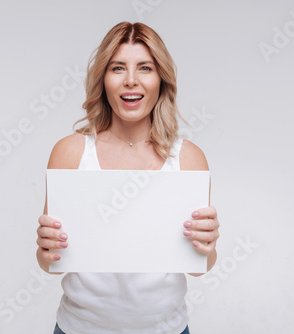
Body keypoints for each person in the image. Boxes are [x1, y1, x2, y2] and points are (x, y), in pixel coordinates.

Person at [36, 21, 220, 334]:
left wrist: (208, 244)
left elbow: (201, 268)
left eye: (145, 68)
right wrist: (45, 248)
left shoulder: (188, 158)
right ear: (103, 79)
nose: (130, 81)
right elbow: (49, 264)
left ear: (161, 79)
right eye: (118, 68)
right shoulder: (70, 152)